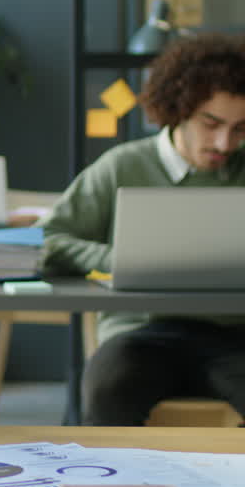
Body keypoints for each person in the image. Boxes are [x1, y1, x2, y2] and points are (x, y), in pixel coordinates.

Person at [41, 33, 245, 426]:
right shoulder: (123, 166)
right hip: (143, 332)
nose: (225, 142)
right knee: (107, 387)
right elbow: (47, 239)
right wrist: (118, 260)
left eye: (240, 128)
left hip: (237, 335)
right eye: (212, 123)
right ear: (178, 108)